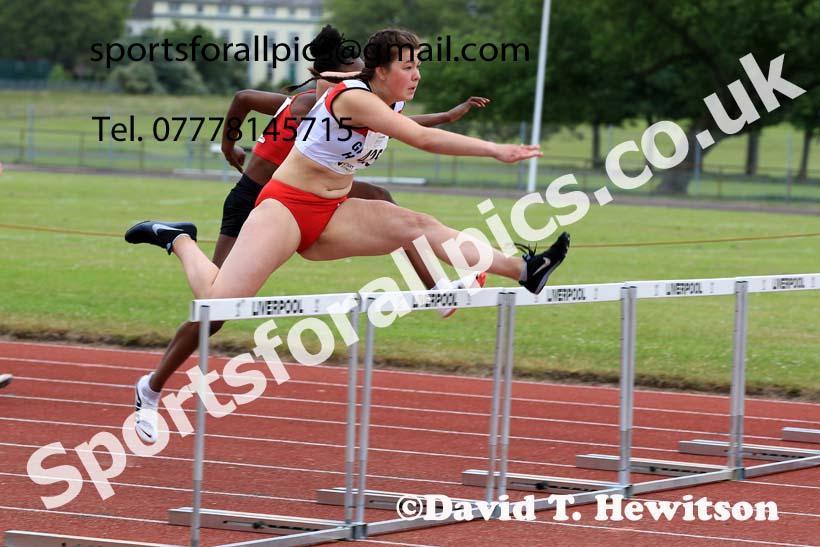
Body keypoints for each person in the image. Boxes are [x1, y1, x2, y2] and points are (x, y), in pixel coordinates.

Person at [126, 28, 570, 443]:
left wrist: (452, 115)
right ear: (380, 71)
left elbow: (413, 125)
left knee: (414, 224)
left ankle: (524, 269)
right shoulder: (352, 97)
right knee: (217, 302)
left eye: (419, 65)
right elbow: (422, 140)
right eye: (407, 67)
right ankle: (177, 239)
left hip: (333, 212)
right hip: (283, 208)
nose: (416, 75)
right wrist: (496, 149)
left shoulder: (386, 101)